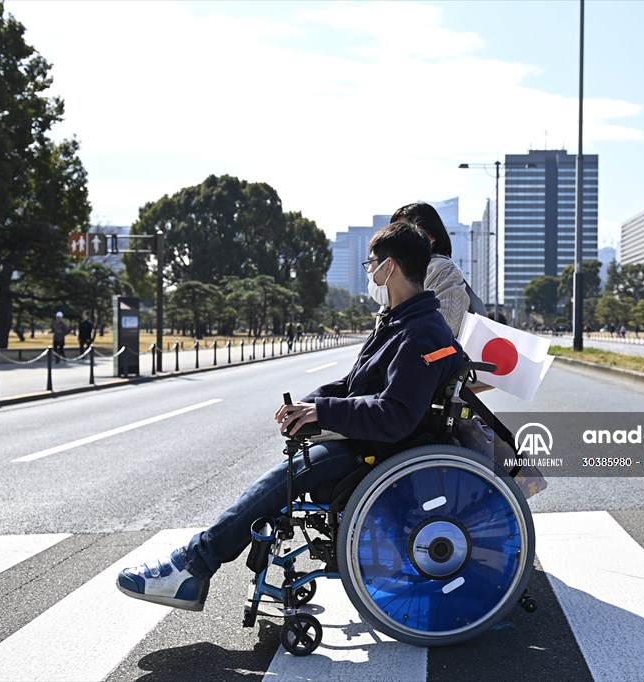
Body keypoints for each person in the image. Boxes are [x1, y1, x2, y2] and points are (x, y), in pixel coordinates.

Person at [116, 220, 465, 611]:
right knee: (279, 480)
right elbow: (355, 385)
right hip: (368, 443)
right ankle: (195, 565)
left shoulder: (421, 333)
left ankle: (194, 566)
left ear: (391, 268)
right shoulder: (403, 322)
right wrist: (309, 406)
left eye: (372, 265)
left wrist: (323, 411)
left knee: (279, 482)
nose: (370, 273)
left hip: (381, 453)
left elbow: (396, 414)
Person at [390, 202, 476, 336]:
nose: (397, 241)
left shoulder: (442, 268)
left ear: (432, 237)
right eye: (394, 234)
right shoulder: (399, 271)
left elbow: (445, 328)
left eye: (406, 233)